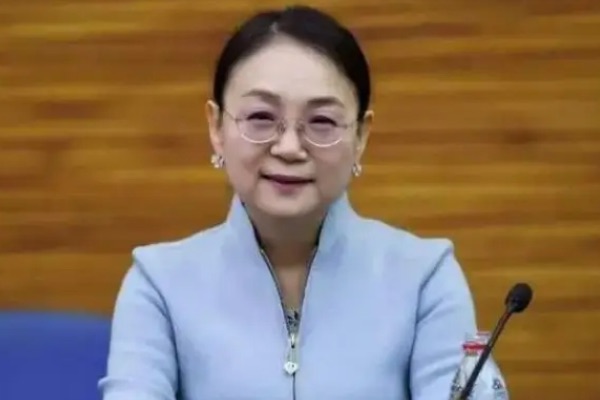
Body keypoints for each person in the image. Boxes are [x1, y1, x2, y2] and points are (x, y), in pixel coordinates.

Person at [99, 5, 483, 400]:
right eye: (261, 117)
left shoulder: (425, 278)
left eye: (322, 122)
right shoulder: (159, 284)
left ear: (361, 136)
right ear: (216, 127)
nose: (288, 147)